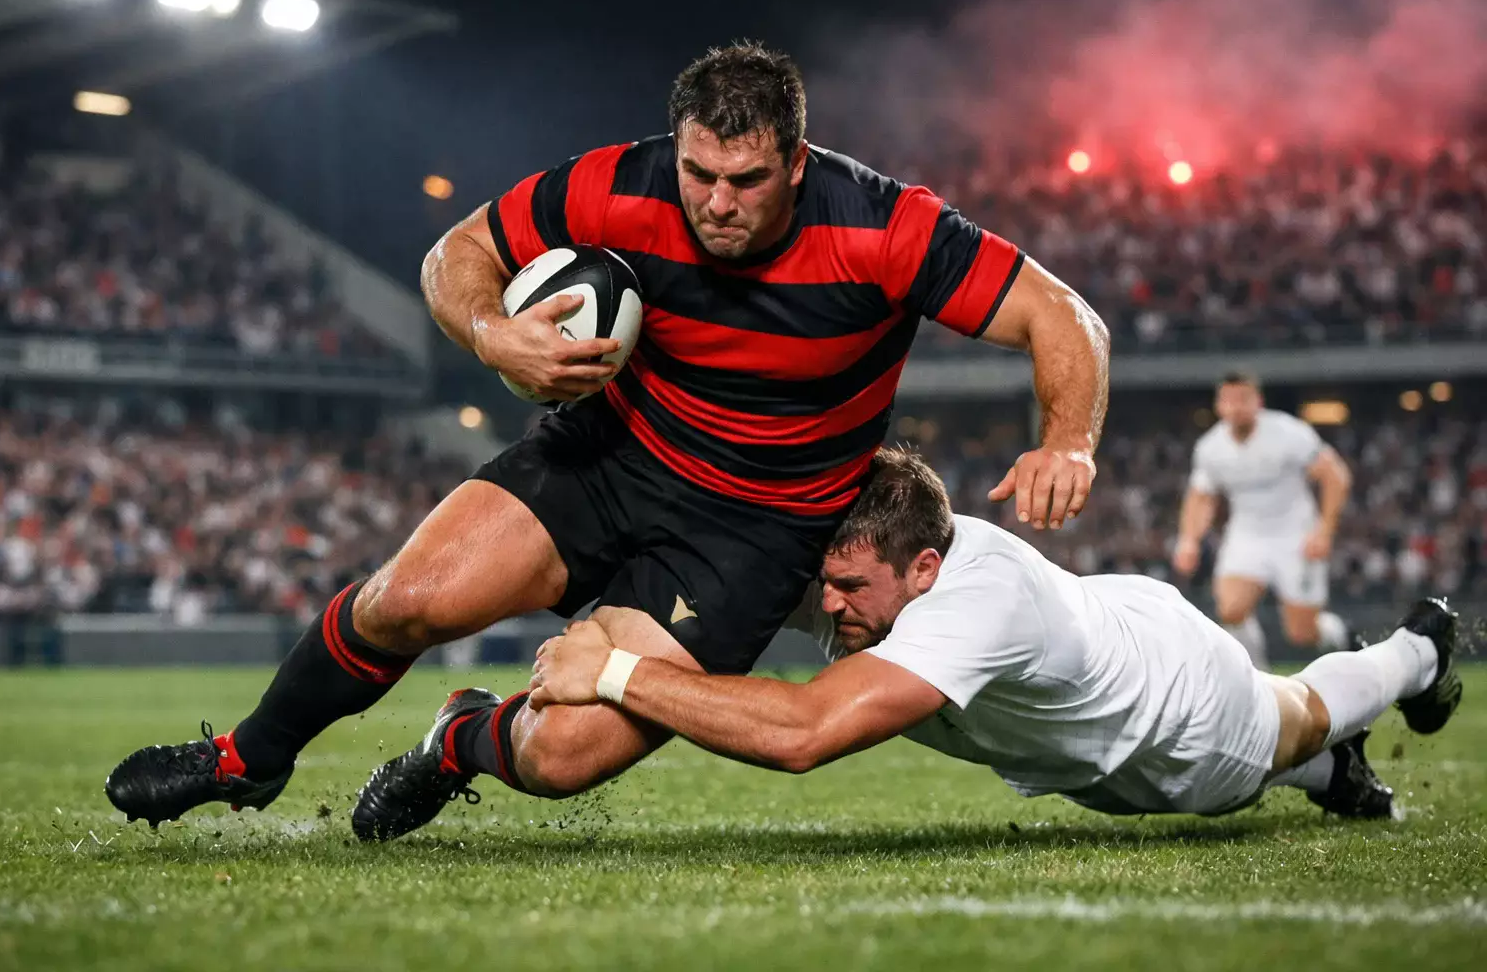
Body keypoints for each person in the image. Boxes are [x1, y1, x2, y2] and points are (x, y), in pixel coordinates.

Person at [103, 44, 1111, 836]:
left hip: (753, 532)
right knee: (406, 601)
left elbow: (1061, 315)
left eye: (747, 179)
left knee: (560, 758)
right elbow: (458, 251)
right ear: (676, 147)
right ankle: (248, 758)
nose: (716, 202)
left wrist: (1067, 440)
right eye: (699, 172)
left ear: (797, 164)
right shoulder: (617, 184)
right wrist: (492, 333)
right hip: (609, 455)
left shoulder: (886, 226)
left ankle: (458, 738)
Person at [529, 448, 1463, 821]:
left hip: (1183, 716)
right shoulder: (880, 563)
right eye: (826, 583)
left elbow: (803, 734)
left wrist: (612, 672)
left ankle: (1418, 648)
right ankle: (1335, 774)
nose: (829, 605)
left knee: (1300, 714)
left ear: (924, 571)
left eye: (850, 589)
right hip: (1096, 660)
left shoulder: (973, 607)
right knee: (1094, 768)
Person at [1173, 372, 1354, 669]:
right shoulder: (1211, 447)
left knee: (1302, 633)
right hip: (1247, 534)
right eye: (1228, 400)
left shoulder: (1288, 433)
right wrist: (1189, 540)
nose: (1235, 407)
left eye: (1242, 400)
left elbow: (1335, 476)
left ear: (1258, 402)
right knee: (1231, 610)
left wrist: (1324, 531)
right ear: (1219, 405)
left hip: (1296, 534)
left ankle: (1339, 634)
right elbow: (1201, 497)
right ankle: (1258, 678)